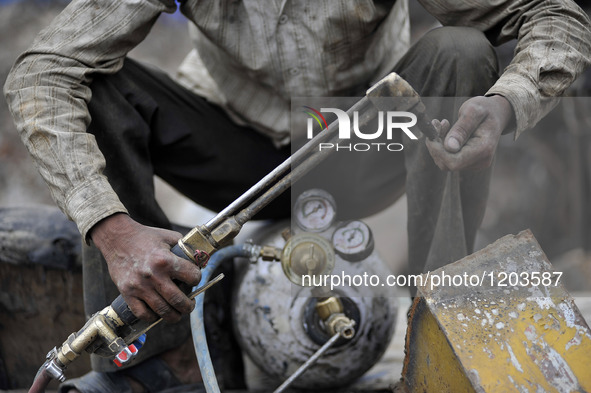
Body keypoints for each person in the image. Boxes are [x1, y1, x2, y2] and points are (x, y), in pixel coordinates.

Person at [4, 0, 590, 391]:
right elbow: (44, 69)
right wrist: (111, 228)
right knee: (97, 85)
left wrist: (508, 101)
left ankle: (443, 331)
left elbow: (554, 15)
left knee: (460, 52)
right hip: (226, 150)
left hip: (362, 142)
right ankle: (161, 362)